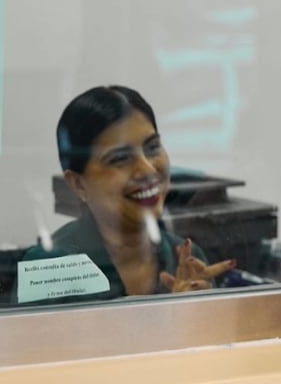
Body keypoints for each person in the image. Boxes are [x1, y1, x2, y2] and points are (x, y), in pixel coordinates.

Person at [19, 86, 234, 304]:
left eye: (152, 148)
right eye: (120, 158)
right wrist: (172, 315)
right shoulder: (49, 266)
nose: (147, 170)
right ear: (79, 184)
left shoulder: (185, 258)